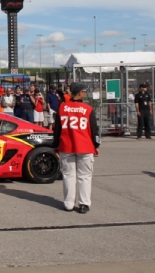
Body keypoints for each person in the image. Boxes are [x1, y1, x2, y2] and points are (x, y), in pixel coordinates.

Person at [52, 82, 100, 214]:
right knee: (84, 176)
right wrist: (96, 145)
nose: (84, 93)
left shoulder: (62, 107)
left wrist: (55, 145)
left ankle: (69, 203)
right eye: (84, 91)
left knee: (68, 175)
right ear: (79, 93)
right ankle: (84, 204)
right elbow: (94, 129)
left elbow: (57, 129)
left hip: (67, 145)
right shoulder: (88, 109)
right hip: (85, 146)